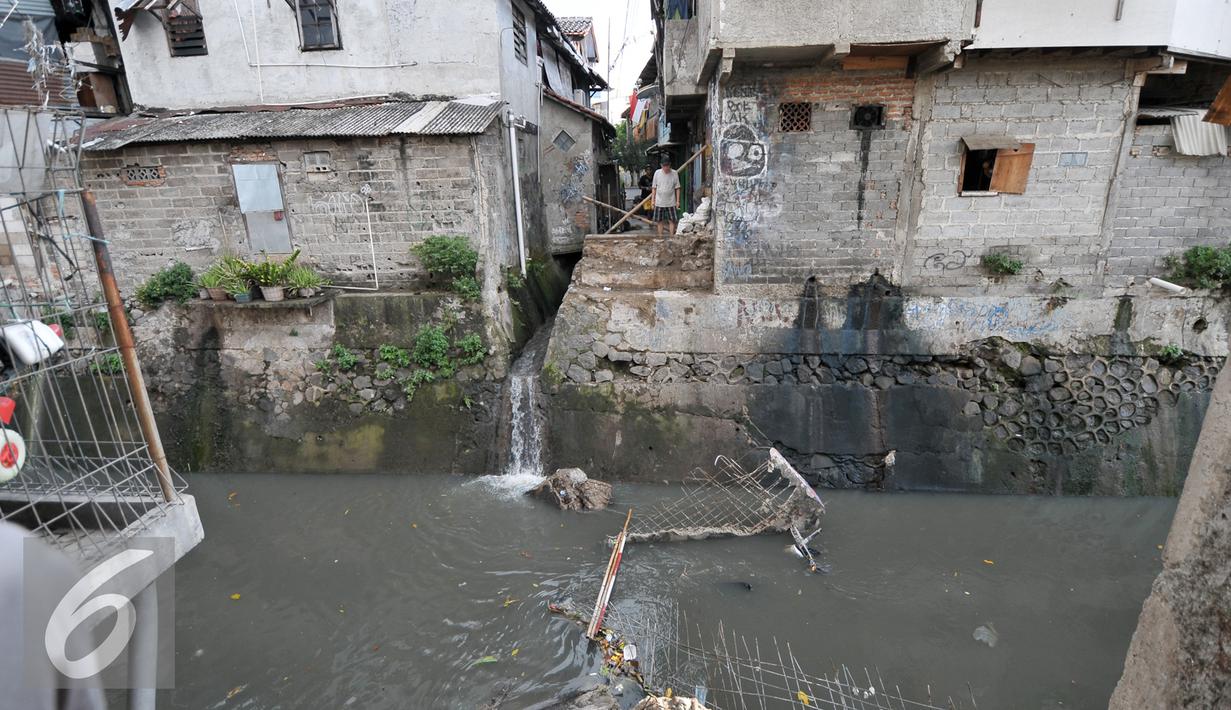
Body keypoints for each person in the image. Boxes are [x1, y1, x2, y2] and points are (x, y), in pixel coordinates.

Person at [650, 154, 681, 239]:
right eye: (664, 166)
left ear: (670, 165)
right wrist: (652, 201)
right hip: (659, 201)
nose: (666, 168)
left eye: (667, 166)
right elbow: (654, 188)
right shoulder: (657, 173)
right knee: (660, 221)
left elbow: (677, 188)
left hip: (671, 201)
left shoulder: (674, 173)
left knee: (672, 220)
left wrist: (678, 201)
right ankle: (660, 237)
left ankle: (671, 237)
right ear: (661, 165)